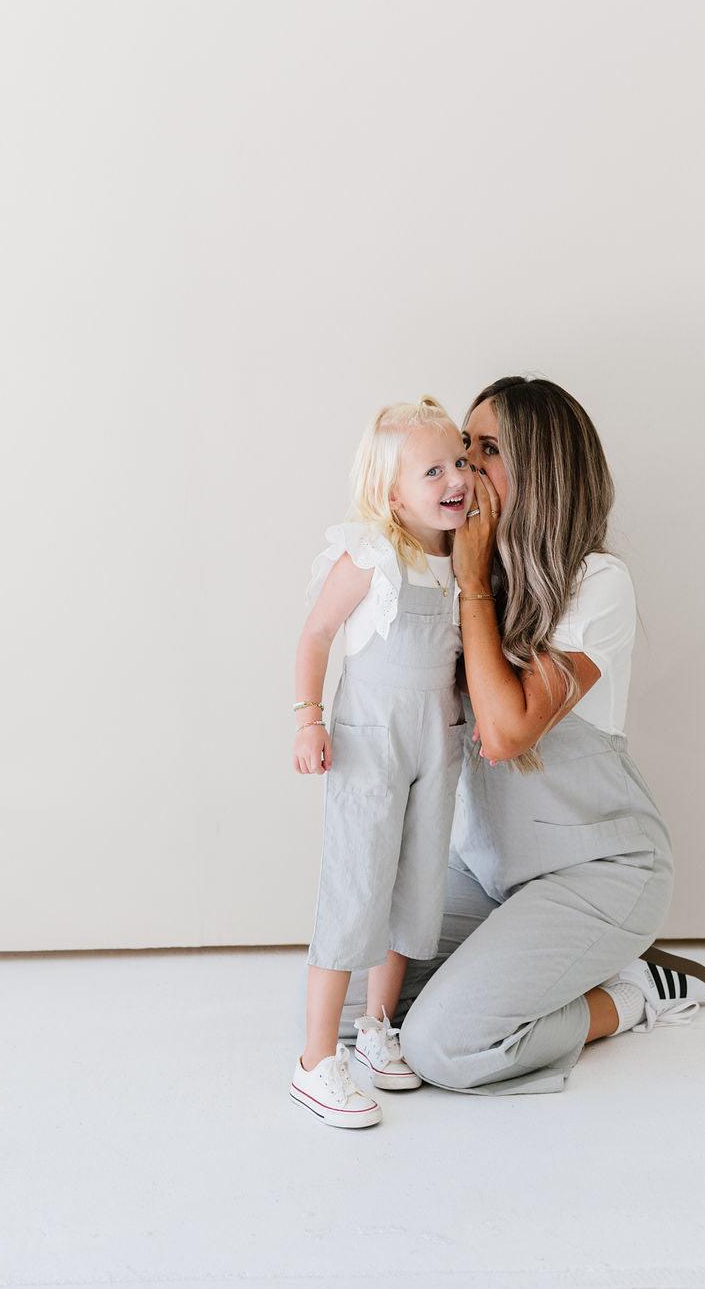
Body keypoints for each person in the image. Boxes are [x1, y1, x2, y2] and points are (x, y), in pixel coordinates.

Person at [337, 375, 705, 1096]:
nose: (465, 466)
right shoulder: (449, 569)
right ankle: (540, 960)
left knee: (441, 1045)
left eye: (486, 450)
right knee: (358, 1008)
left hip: (602, 870)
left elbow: (507, 730)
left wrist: (474, 578)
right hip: (491, 871)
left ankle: (635, 990)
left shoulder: (596, 584)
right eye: (460, 449)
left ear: (539, 471)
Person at [289, 395, 477, 1127]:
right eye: (434, 469)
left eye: (460, 460)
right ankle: (314, 1059)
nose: (456, 476)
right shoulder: (371, 553)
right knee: (355, 883)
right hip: (371, 742)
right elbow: (315, 636)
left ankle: (374, 1027)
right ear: (391, 491)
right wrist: (309, 719)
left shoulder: (458, 562)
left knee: (417, 882)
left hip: (436, 739)